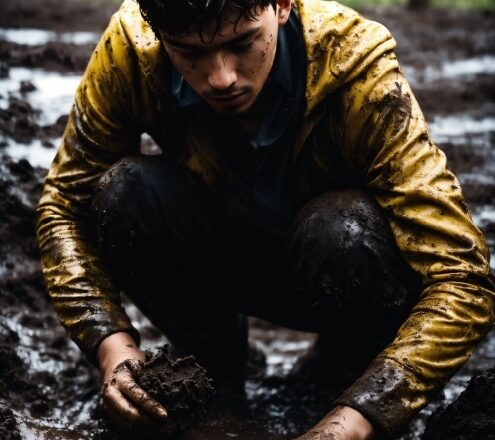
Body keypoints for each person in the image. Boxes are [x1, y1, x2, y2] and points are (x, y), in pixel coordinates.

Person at [36, 0, 495, 438]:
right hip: (220, 264)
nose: (221, 77)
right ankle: (209, 369)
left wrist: (358, 418)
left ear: (281, 4)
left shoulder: (358, 68)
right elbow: (64, 206)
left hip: (339, 272)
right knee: (123, 190)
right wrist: (112, 349)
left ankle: (342, 372)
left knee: (342, 228)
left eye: (242, 43)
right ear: (159, 33)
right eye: (191, 54)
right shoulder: (132, 49)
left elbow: (463, 277)